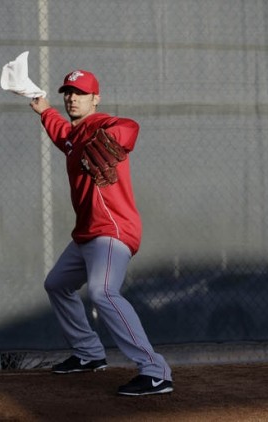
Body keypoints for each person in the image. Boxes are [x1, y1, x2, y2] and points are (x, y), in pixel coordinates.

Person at [30, 69, 173, 396]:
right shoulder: (71, 138)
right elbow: (60, 133)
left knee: (102, 292)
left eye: (80, 93)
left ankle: (155, 371)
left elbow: (129, 128)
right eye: (68, 92)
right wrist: (44, 109)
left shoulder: (102, 124)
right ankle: (89, 353)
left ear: (96, 98)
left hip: (112, 227)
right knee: (57, 284)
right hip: (86, 234)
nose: (72, 98)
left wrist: (111, 140)